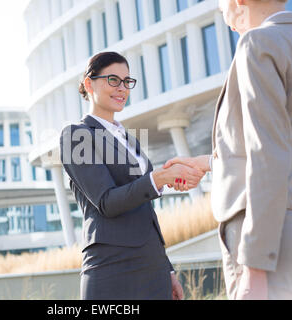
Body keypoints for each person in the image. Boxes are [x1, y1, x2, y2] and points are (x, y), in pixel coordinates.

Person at [164, 0, 292, 299]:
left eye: (222, 9)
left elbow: (268, 151)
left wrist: (255, 265)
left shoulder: (257, 43)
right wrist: (207, 162)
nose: (227, 21)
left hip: (272, 238)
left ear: (239, 1)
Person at [60, 51, 204, 300]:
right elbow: (106, 201)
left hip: (152, 268)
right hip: (112, 268)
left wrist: (166, 268)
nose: (122, 88)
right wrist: (158, 179)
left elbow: (145, 209)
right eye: (113, 80)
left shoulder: (129, 139)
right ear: (88, 83)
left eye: (127, 81)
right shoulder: (78, 135)